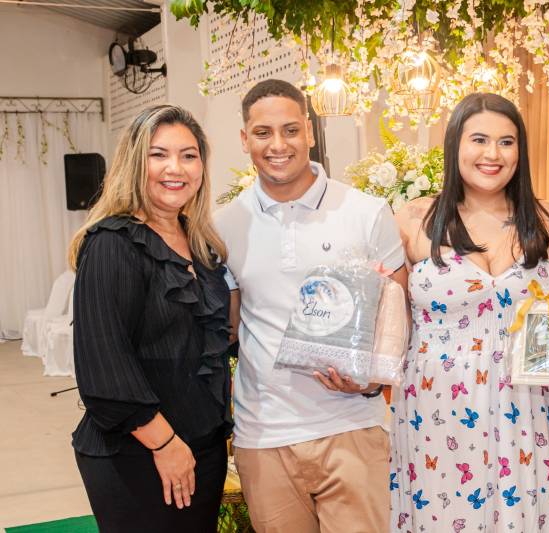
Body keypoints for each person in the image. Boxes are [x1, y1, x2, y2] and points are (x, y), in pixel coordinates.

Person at [214, 79, 408, 533]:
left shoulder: (365, 211)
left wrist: (368, 383)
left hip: (352, 427)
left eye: (290, 130)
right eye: (262, 133)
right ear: (244, 139)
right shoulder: (224, 225)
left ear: (309, 132)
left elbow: (399, 319)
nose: (278, 145)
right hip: (265, 436)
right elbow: (230, 327)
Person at [390, 92, 549, 532]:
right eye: (479, 140)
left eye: (506, 142)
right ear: (454, 144)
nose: (493, 154)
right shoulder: (414, 219)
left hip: (530, 405)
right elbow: (392, 323)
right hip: (438, 407)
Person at [67, 105, 232, 532]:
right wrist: (165, 444)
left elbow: (211, 340)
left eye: (188, 155)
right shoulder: (113, 243)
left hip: (201, 446)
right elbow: (104, 367)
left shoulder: (199, 243)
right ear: (135, 162)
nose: (175, 168)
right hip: (138, 452)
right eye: (159, 155)